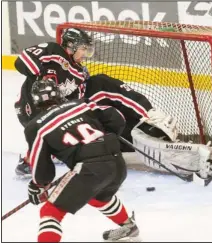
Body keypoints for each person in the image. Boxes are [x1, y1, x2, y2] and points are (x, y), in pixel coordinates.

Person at [25, 78, 139, 242]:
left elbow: (40, 164)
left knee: (50, 211)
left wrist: (38, 185)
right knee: (98, 196)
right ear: (58, 94)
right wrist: (104, 138)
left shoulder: (35, 126)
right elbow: (117, 117)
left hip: (89, 169)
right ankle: (128, 226)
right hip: (116, 162)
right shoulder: (82, 103)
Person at [84, 74, 212, 179]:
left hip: (97, 136)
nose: (85, 54)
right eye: (83, 49)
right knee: (100, 84)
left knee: (141, 133)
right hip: (94, 139)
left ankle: (182, 152)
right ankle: (150, 116)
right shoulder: (92, 87)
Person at [14, 27, 94, 177]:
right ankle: (27, 163)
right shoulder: (53, 50)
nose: (85, 54)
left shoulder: (79, 72)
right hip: (29, 105)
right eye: (83, 48)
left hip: (49, 111)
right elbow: (21, 61)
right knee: (45, 132)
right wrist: (41, 76)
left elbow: (77, 99)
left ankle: (52, 152)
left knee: (67, 128)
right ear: (71, 46)